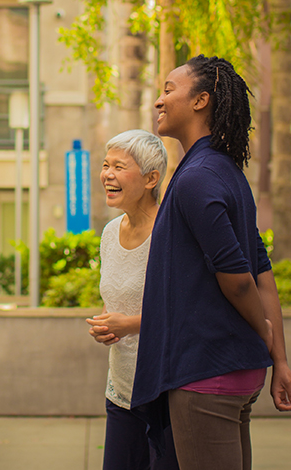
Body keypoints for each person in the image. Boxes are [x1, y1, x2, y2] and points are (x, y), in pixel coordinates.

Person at [131, 55, 291, 470]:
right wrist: (279, 358)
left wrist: (263, 329)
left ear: (201, 100)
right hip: (235, 370)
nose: (159, 101)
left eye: (170, 90)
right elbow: (262, 269)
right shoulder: (226, 171)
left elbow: (239, 279)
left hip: (205, 373)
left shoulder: (196, 178)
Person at [86, 129, 179, 470]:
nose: (107, 174)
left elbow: (187, 312)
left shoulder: (170, 233)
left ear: (151, 178)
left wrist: (130, 325)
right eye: (106, 164)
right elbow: (118, 302)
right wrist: (108, 325)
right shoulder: (110, 233)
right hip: (121, 390)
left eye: (119, 167)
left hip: (165, 393)